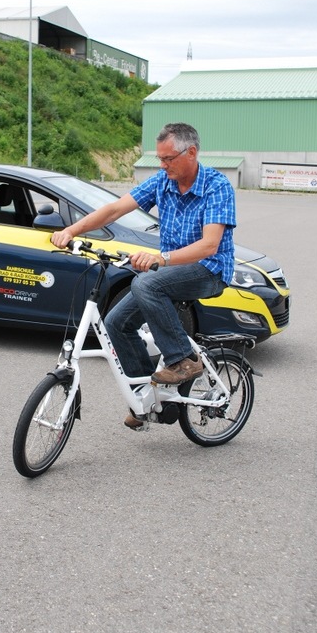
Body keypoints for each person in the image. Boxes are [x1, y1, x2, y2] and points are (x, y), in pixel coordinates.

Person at [51, 122, 236, 429]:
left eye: (168, 159)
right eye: (160, 159)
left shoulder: (217, 186)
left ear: (191, 152)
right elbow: (113, 210)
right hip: (171, 270)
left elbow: (209, 244)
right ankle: (149, 400)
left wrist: (160, 258)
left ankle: (182, 361)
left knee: (146, 281)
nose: (163, 166)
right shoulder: (163, 182)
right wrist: (71, 230)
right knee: (115, 324)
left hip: (209, 270)